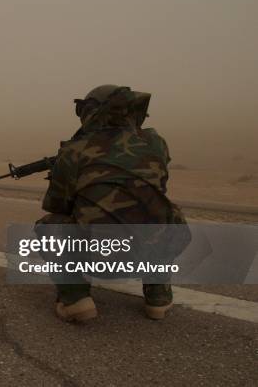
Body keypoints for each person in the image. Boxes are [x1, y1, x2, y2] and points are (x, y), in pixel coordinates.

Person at [37, 85, 187, 322]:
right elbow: (157, 191)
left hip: (100, 259)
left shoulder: (74, 151)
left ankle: (76, 299)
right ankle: (158, 297)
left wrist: (67, 174)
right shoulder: (156, 142)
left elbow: (58, 207)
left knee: (48, 227)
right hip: (146, 250)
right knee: (167, 216)